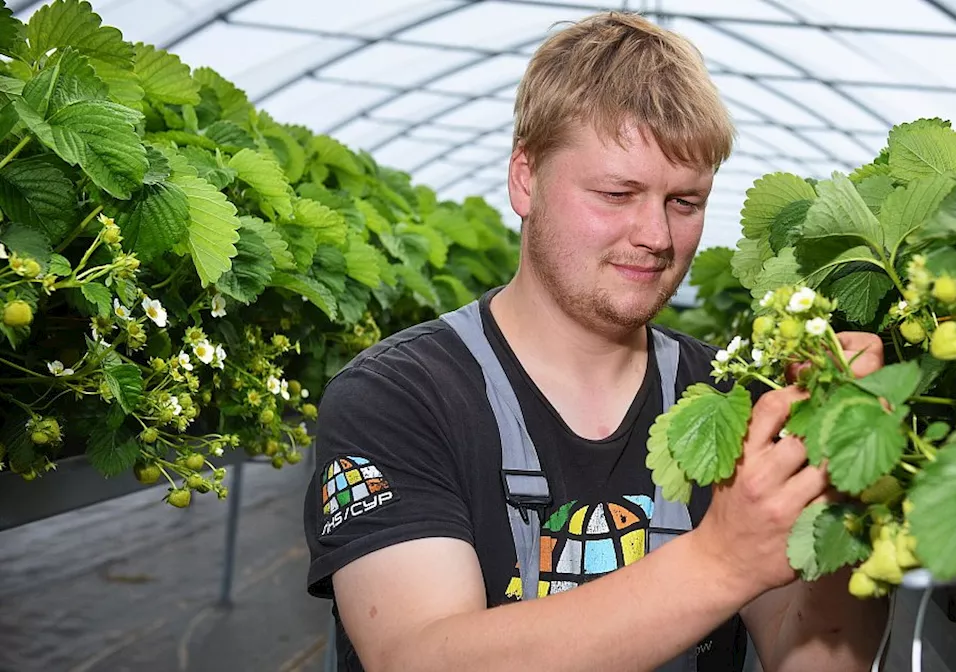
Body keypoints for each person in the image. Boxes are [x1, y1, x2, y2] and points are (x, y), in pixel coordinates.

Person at [303, 11, 889, 672]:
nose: (656, 236)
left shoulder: (730, 399)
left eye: (685, 202)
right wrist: (721, 560)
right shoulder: (398, 398)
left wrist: (851, 491)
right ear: (525, 179)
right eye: (617, 193)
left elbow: (810, 658)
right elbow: (416, 658)